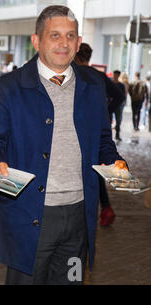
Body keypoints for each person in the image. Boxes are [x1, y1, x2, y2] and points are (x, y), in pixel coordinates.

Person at [0, 5, 127, 285]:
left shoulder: (93, 85)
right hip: (29, 215)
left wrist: (115, 162)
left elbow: (103, 141)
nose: (64, 43)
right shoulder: (10, 87)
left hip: (78, 216)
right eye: (55, 35)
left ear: (78, 42)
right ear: (37, 41)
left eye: (71, 36)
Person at [74, 42, 123, 227]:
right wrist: (105, 111)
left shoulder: (76, 75)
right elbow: (119, 96)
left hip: (83, 128)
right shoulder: (99, 76)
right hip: (96, 127)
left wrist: (103, 111)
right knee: (94, 166)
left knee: (89, 166)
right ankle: (105, 207)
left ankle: (93, 208)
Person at [111, 70, 127, 141]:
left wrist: (121, 104)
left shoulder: (121, 85)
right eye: (114, 75)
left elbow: (123, 96)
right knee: (108, 121)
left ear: (118, 76)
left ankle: (117, 135)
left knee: (118, 121)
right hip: (110, 106)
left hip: (118, 106)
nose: (115, 76)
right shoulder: (110, 83)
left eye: (116, 75)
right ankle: (108, 136)